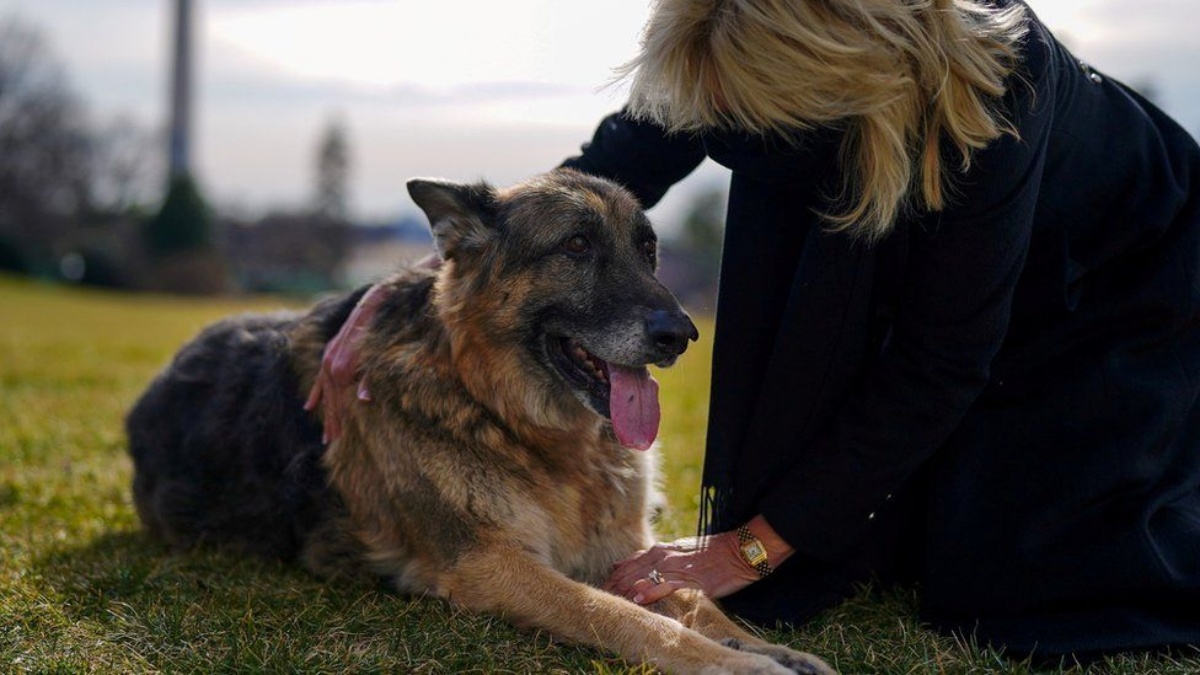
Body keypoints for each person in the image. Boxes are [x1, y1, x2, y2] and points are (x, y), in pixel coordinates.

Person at [307, 0, 1200, 660]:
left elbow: (940, 358)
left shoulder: (998, 97)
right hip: (925, 213)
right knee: (860, 550)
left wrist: (748, 546)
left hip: (1124, 269)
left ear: (831, 87)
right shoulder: (729, 32)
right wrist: (418, 284)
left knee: (1025, 584)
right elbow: (598, 176)